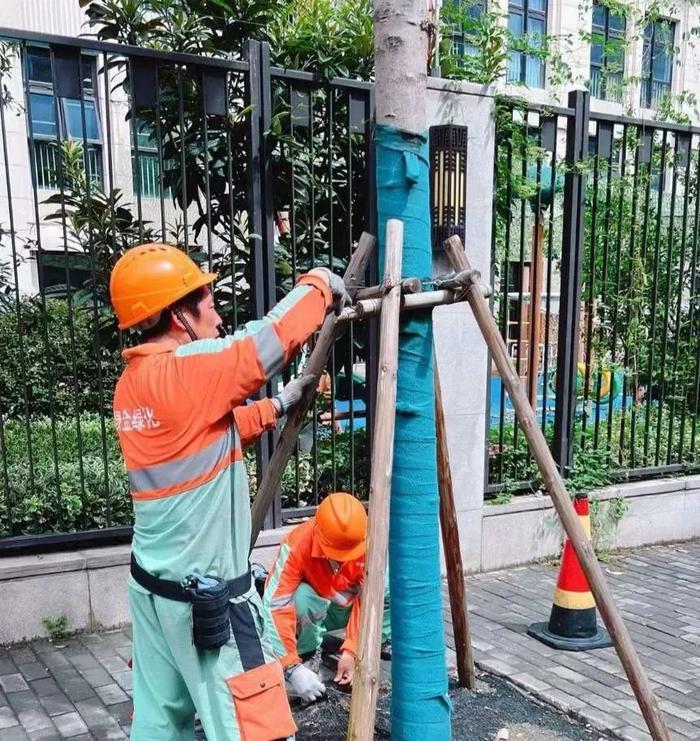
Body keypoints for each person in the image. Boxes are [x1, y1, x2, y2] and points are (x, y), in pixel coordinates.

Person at [109, 242, 350, 740]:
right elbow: (266, 340)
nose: (217, 316)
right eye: (209, 303)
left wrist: (278, 406)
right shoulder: (188, 369)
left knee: (160, 721)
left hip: (153, 591)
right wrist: (321, 282)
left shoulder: (134, 383)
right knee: (251, 725)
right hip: (209, 601)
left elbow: (206, 433)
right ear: (180, 315)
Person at [262, 492, 391, 704]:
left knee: (385, 587)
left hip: (347, 609)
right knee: (302, 597)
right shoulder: (297, 544)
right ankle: (307, 654)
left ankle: (377, 640)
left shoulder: (368, 542)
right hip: (317, 610)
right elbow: (275, 606)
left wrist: (351, 650)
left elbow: (367, 601)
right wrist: (291, 667)